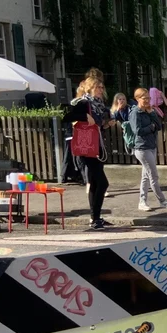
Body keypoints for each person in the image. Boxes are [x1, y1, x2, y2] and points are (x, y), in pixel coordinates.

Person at [64, 76, 114, 229]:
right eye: (98, 87)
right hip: (86, 150)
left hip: (95, 146)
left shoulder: (98, 105)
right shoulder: (84, 103)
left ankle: (95, 218)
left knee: (94, 183)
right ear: (90, 88)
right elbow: (67, 115)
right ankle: (95, 217)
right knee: (102, 183)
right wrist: (85, 116)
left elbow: (95, 126)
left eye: (102, 87)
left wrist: (105, 125)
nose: (101, 90)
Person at [130, 88, 167, 212]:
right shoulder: (135, 113)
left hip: (151, 146)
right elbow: (138, 131)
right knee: (153, 175)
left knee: (146, 176)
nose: (147, 100)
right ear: (137, 98)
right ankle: (162, 200)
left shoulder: (148, 111)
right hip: (142, 148)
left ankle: (142, 201)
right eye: (144, 98)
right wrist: (151, 127)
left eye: (148, 98)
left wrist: (152, 113)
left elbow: (159, 126)